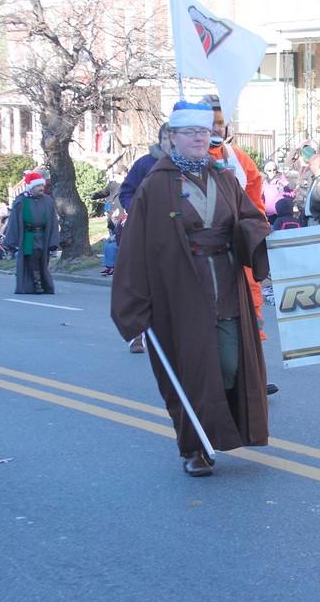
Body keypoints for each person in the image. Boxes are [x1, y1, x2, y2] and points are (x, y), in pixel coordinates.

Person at [110, 101, 272, 477]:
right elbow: (135, 249)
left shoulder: (225, 178)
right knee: (191, 371)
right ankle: (193, 448)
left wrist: (264, 242)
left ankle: (220, 428)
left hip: (226, 284)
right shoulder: (155, 185)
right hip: (180, 292)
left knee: (229, 366)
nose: (200, 138)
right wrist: (135, 306)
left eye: (204, 132)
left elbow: (249, 220)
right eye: (190, 133)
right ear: (172, 139)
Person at [201, 93, 279, 395]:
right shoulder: (186, 161)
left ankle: (253, 379)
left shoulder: (242, 161)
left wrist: (262, 244)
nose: (217, 128)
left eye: (221, 122)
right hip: (206, 258)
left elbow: (258, 211)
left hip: (241, 257)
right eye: (211, 122)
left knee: (252, 317)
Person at [117, 122, 172, 353]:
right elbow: (126, 191)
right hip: (147, 232)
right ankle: (137, 335)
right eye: (168, 137)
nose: (172, 141)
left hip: (174, 233)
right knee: (143, 284)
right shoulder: (145, 163)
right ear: (161, 140)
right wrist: (137, 210)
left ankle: (166, 334)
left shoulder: (188, 165)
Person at [4, 172, 60, 295]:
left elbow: (53, 221)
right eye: (37, 186)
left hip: (43, 236)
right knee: (32, 261)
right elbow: (14, 221)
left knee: (43, 261)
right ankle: (36, 285)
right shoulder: (21, 201)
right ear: (31, 187)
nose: (41, 188)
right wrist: (12, 243)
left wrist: (53, 241)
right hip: (29, 237)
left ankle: (44, 285)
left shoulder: (47, 201)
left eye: (42, 185)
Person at [261, 160, 290, 225]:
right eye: (270, 170)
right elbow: (261, 198)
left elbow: (288, 194)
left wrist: (284, 189)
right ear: (266, 171)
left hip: (279, 214)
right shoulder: (264, 182)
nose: (272, 172)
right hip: (268, 215)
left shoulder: (281, 180)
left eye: (274, 170)